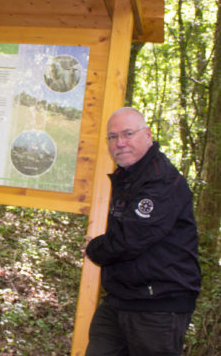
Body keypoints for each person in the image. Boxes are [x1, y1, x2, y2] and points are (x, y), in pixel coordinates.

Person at [83, 107, 201, 355]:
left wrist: (94, 247)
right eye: (113, 137)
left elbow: (131, 238)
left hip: (158, 303)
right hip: (121, 298)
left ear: (147, 135)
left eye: (127, 134)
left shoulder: (161, 180)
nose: (120, 143)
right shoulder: (126, 177)